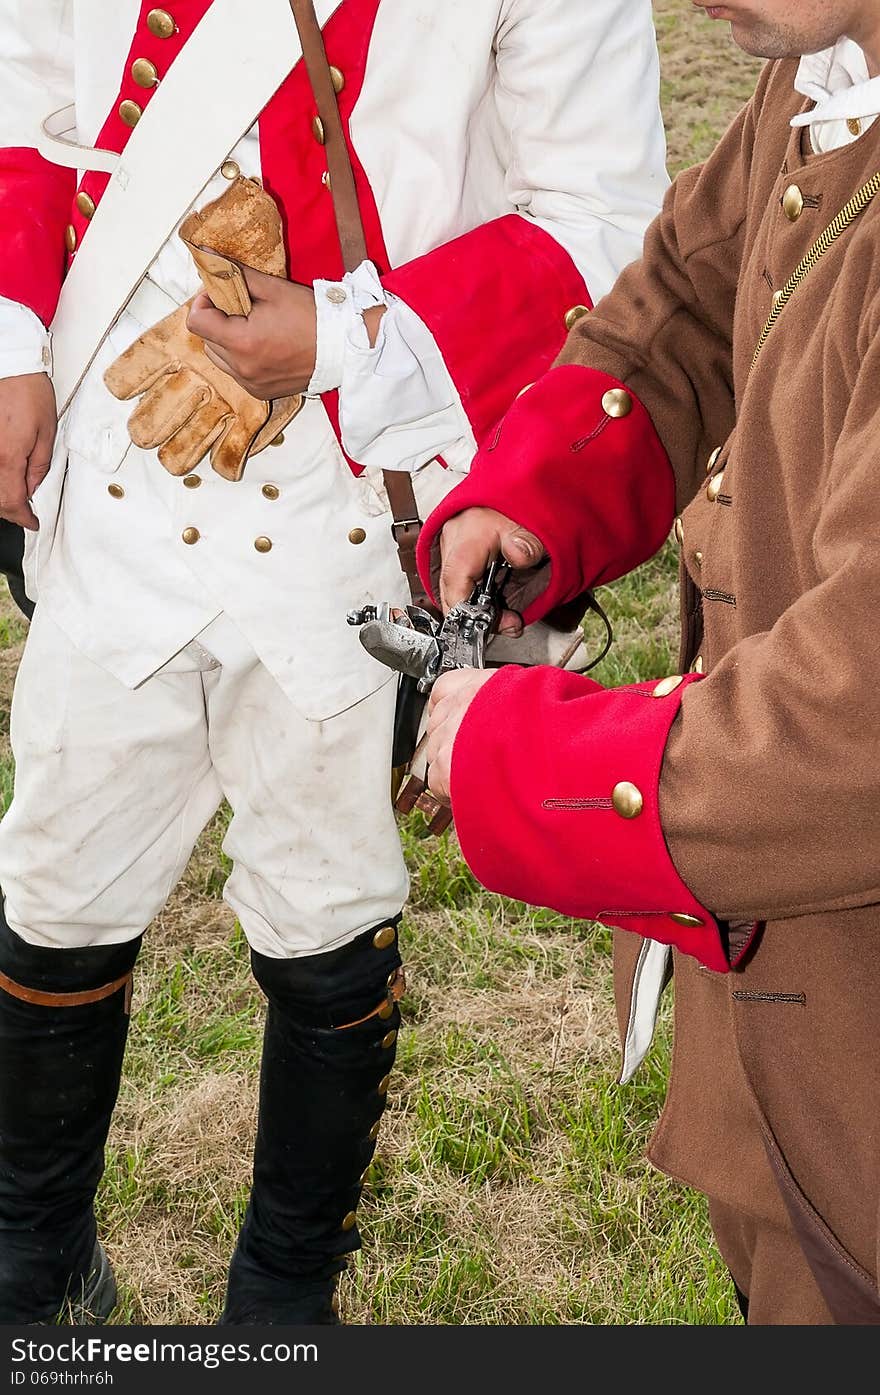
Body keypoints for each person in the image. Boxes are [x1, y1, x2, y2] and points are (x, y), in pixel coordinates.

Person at [0, 0, 669, 1325]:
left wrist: (345, 340)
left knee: (325, 911)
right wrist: (15, 343)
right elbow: (21, 98)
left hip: (347, 485)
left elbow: (603, 229)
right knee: (55, 888)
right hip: (120, 462)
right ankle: (35, 1273)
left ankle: (283, 1307)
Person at [418, 0, 880, 1327]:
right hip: (792, 1033)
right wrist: (541, 489)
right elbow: (683, 298)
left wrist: (516, 754)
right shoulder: (821, 60)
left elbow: (855, 719)